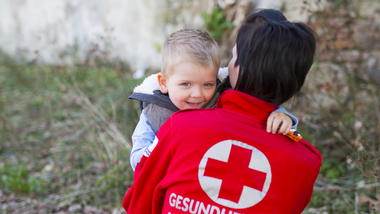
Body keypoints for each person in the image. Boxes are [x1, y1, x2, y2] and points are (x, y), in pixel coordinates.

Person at [123, 8, 322, 213]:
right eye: (186, 84)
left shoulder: (179, 126)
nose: (197, 94)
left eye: (234, 57)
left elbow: (140, 202)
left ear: (243, 68)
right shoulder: (306, 162)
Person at [129, 29, 298, 171]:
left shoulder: (222, 98)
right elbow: (136, 161)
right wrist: (161, 143)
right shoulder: (154, 112)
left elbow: (257, 110)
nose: (197, 94)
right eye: (186, 84)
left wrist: (280, 115)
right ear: (164, 83)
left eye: (207, 84)